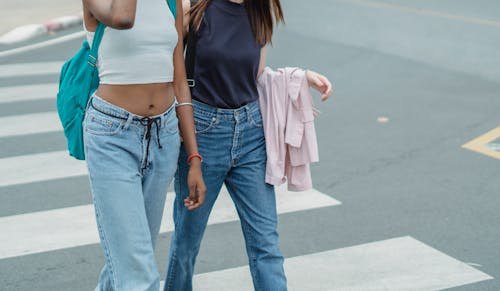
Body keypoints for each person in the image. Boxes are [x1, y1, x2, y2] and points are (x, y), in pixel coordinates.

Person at [164, 0, 332, 290]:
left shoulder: (260, 10)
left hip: (252, 135)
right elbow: (170, 69)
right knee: (186, 243)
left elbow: (257, 78)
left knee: (266, 245)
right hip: (204, 134)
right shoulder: (197, 8)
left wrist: (301, 78)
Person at [81, 0, 206, 290]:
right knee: (139, 275)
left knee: (130, 262)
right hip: (112, 137)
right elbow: (123, 18)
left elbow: (179, 82)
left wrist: (194, 157)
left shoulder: (172, 3)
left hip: (163, 137)